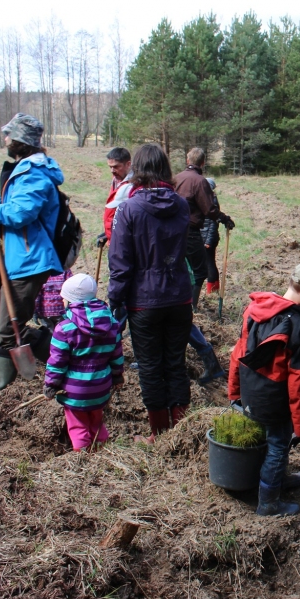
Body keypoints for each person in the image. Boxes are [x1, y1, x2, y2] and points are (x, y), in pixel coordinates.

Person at [228, 261, 300, 516]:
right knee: (278, 446)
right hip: (276, 401)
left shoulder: (255, 308)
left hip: (252, 393)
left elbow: (237, 353)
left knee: (270, 441)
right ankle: (269, 502)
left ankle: (277, 479)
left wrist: (234, 392)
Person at [0, 114, 63, 392]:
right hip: (21, 257)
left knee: (9, 329)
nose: (5, 139)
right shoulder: (26, 169)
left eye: (9, 135)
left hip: (30, 259)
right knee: (9, 326)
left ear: (21, 140)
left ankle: (73, 360)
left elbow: (22, 212)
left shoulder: (33, 173)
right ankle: (1, 388)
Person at [108, 143, 193, 441]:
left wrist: (115, 300)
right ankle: (180, 430)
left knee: (150, 367)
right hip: (179, 295)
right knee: (175, 362)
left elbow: (119, 261)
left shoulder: (128, 209)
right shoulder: (181, 205)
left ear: (137, 170)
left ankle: (160, 433)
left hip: (144, 301)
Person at [43, 273, 123, 452]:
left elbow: (57, 362)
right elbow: (117, 355)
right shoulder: (112, 324)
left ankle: (83, 457)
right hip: (101, 386)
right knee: (96, 419)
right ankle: (102, 450)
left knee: (78, 424)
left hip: (75, 390)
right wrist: (117, 376)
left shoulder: (64, 328)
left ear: (70, 300)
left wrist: (51, 385)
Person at [174, 148, 234, 310]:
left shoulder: (176, 178)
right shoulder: (200, 182)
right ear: (203, 163)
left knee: (177, 266)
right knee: (200, 271)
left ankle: (178, 303)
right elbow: (209, 209)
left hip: (171, 232)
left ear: (188, 161)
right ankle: (190, 308)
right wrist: (224, 219)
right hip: (190, 233)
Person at [101, 146, 133, 246]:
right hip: (114, 239)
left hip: (125, 242)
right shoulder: (116, 179)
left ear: (128, 164)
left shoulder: (134, 186)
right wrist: (107, 234)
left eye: (116, 166)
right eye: (110, 167)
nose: (112, 170)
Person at [202, 177, 221, 295]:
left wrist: (208, 241)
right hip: (206, 236)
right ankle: (214, 287)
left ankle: (211, 289)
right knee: (209, 262)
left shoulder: (211, 201)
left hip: (209, 238)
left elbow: (213, 223)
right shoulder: (208, 199)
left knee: (209, 263)